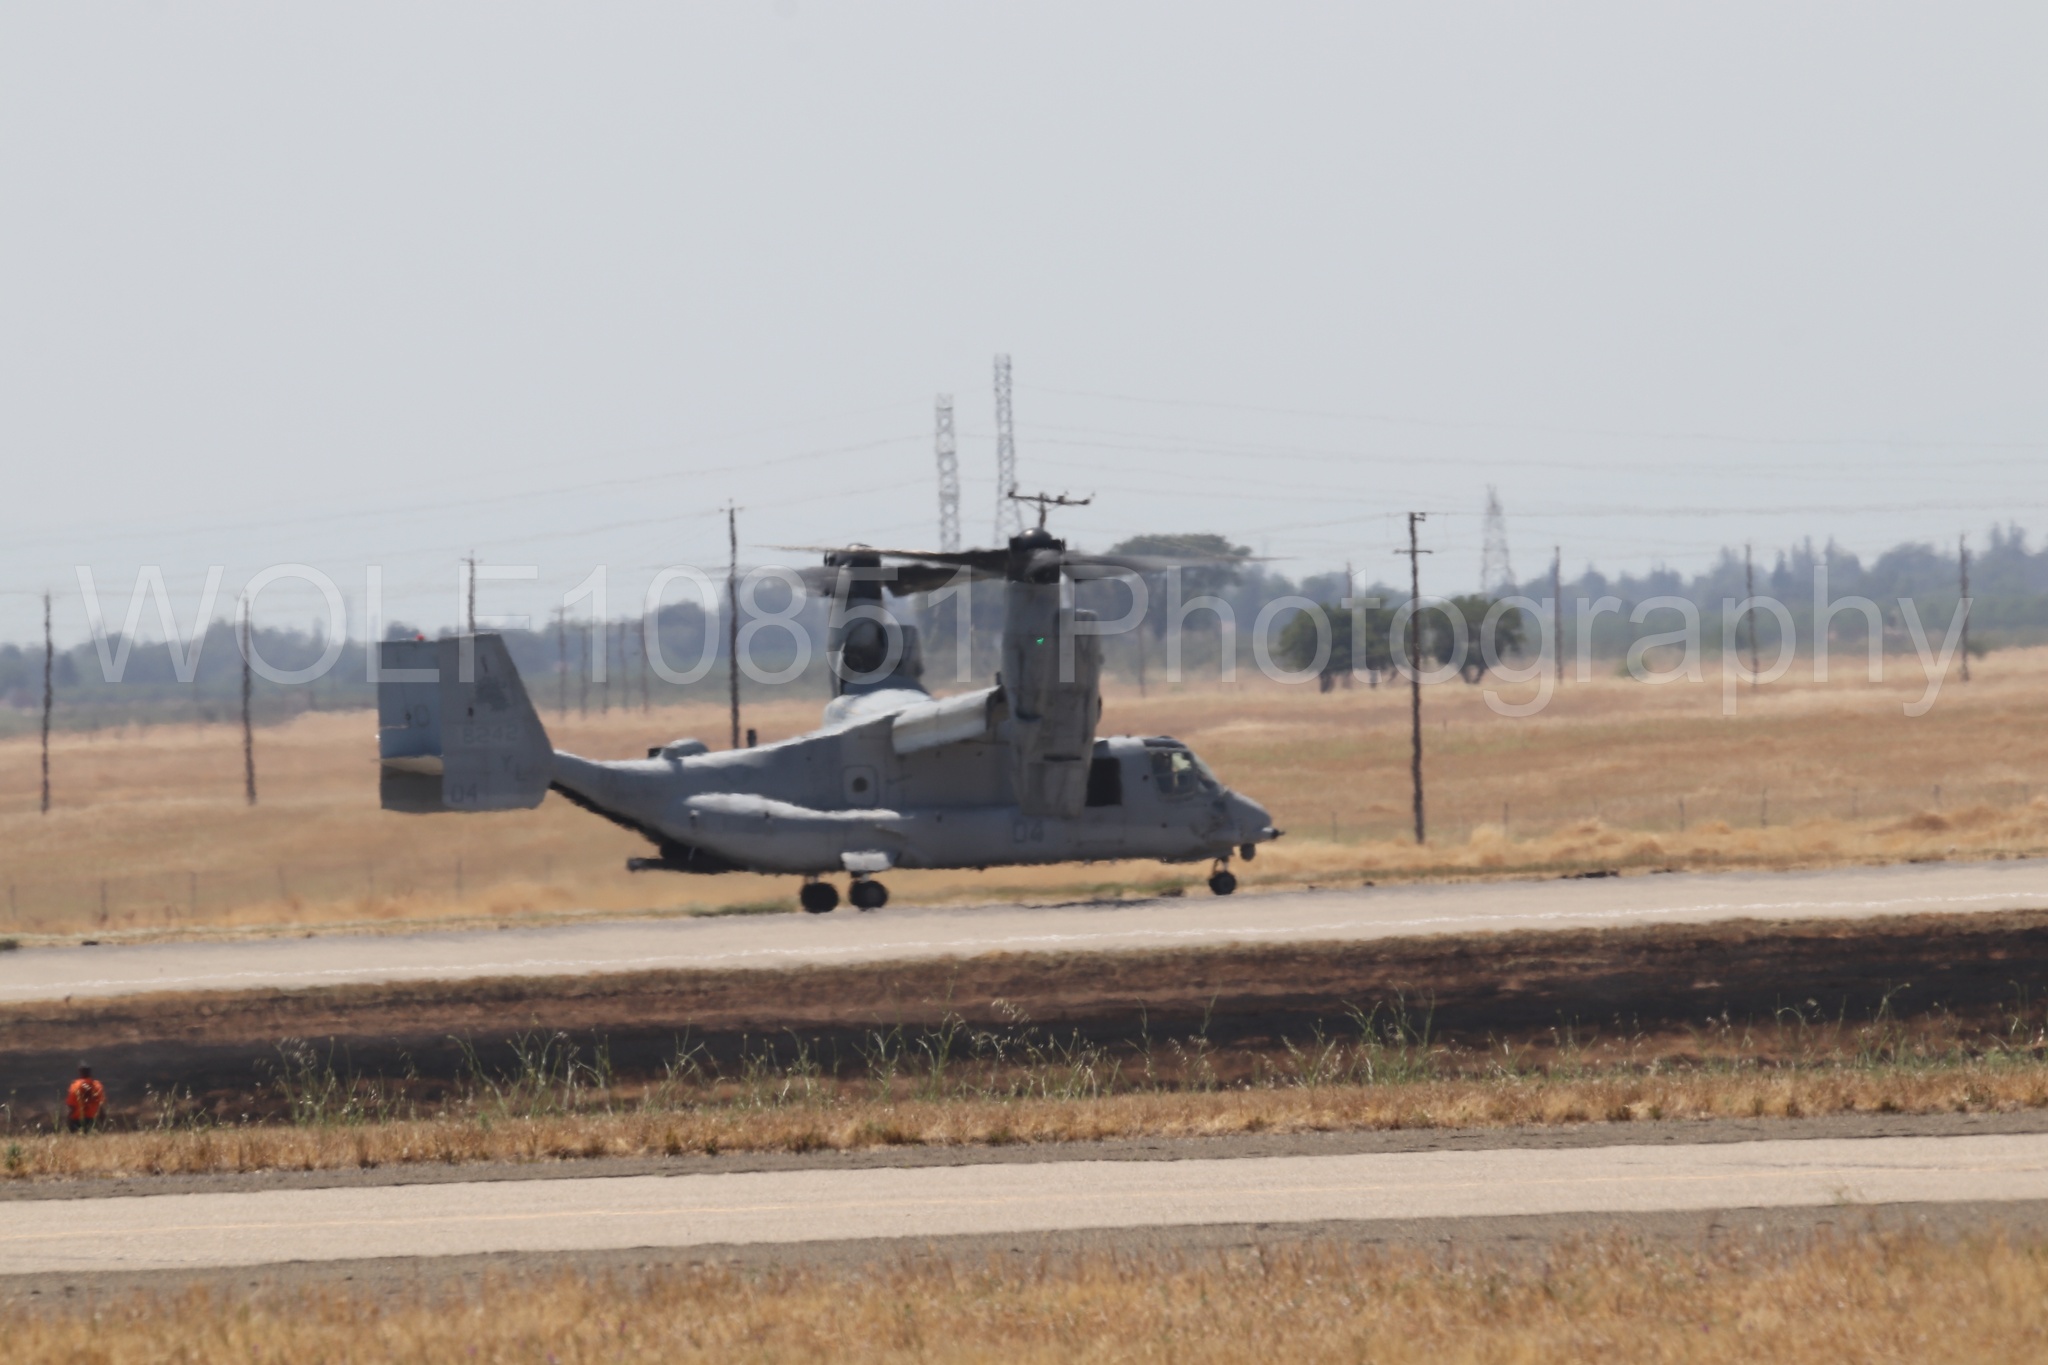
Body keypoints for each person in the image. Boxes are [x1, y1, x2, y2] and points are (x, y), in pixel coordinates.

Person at [65, 1065, 105, 1134]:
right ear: (90, 1073)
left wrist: (69, 1118)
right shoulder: (97, 1085)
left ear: (80, 1073)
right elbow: (100, 1103)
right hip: (92, 1118)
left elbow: (70, 1104)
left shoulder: (75, 1085)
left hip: (77, 1118)